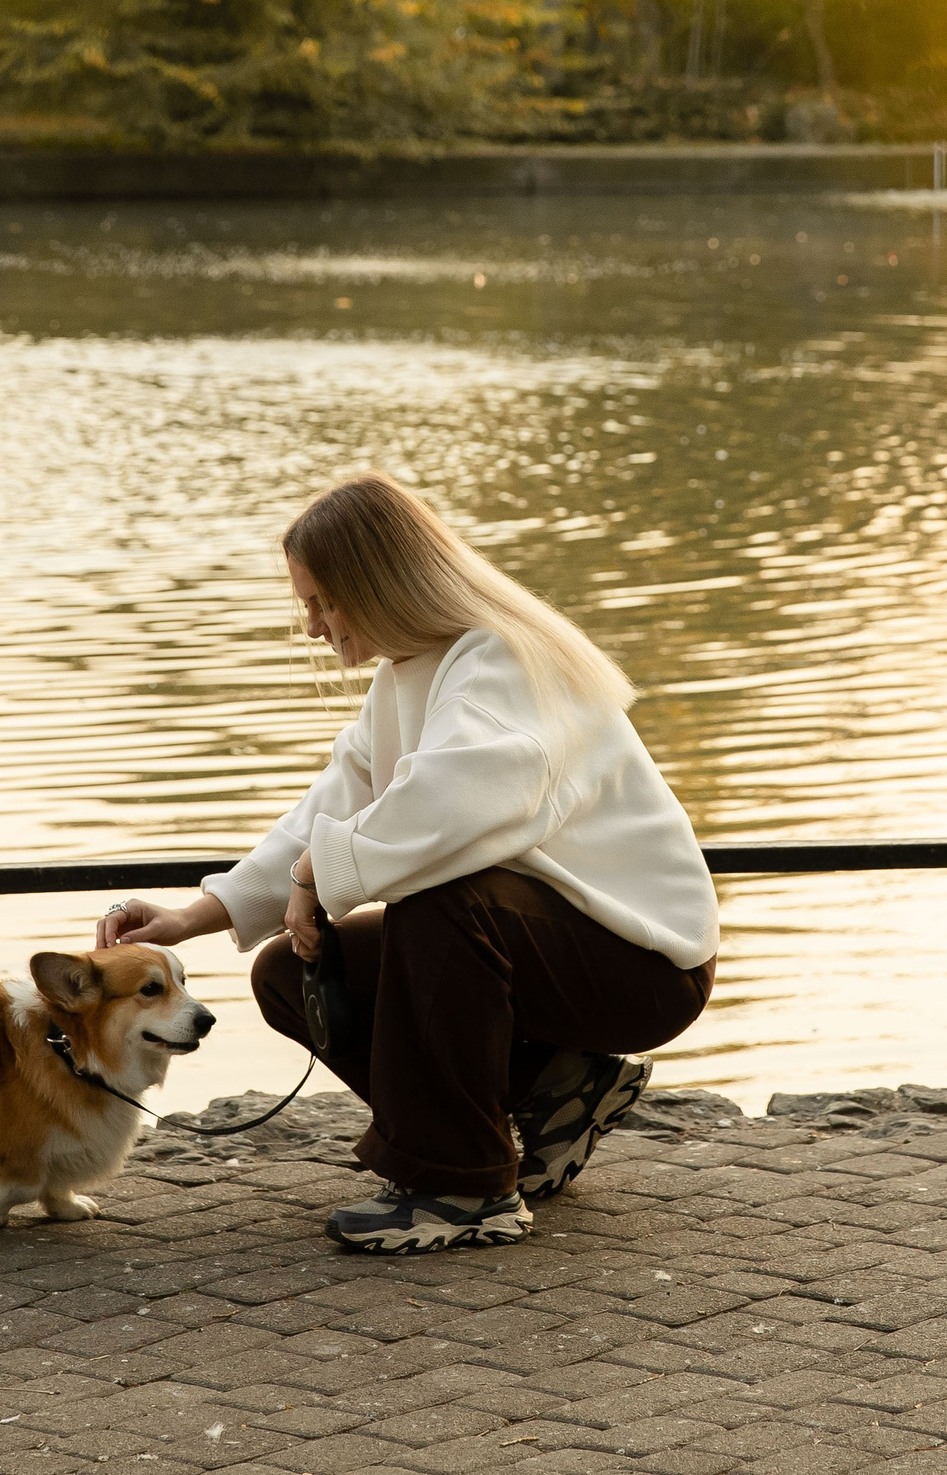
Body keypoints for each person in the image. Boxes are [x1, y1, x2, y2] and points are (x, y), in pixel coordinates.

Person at [97, 473, 718, 1254]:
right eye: (307, 608)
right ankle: (558, 1088)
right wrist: (194, 916)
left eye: (322, 602)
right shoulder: (405, 674)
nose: (315, 628)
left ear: (378, 582)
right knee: (290, 975)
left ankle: (462, 1188)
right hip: (547, 951)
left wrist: (314, 877)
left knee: (442, 900)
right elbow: (329, 807)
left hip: (642, 964)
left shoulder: (499, 660)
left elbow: (452, 805)